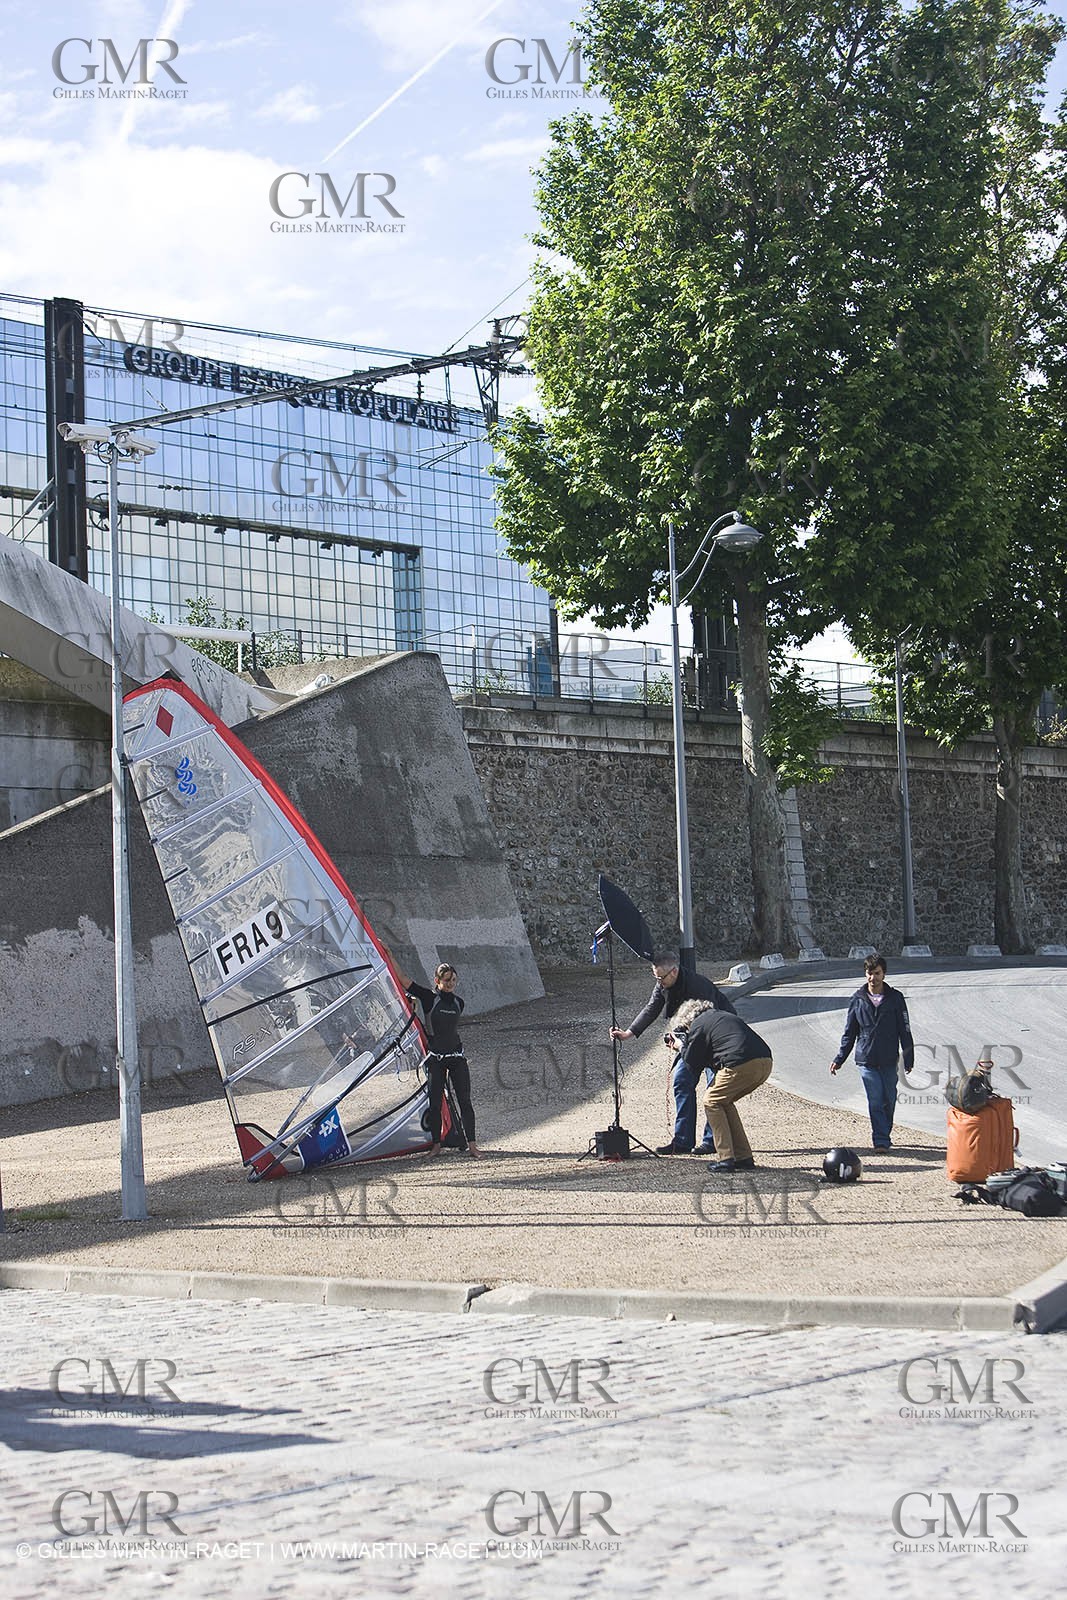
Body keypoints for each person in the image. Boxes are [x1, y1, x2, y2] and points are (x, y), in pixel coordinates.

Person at [610, 955, 737, 1154]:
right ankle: (683, 1141)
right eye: (656, 978)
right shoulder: (662, 985)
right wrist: (628, 1033)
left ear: (674, 971)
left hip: (715, 1038)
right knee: (681, 1080)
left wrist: (683, 1043)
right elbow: (651, 1008)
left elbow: (710, 1020)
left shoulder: (698, 986)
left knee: (714, 1090)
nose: (659, 982)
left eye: (661, 978)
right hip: (690, 1037)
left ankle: (712, 1141)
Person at [666, 1000, 773, 1173]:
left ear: (688, 1021)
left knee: (711, 1101)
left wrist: (680, 1046)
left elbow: (691, 1063)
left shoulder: (699, 1025)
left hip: (740, 1064)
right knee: (724, 1101)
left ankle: (726, 1159)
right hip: (765, 1062)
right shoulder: (720, 1016)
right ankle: (743, 1157)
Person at [829, 953, 914, 1151]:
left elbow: (905, 1030)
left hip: (889, 1060)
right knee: (875, 1099)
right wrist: (839, 1058)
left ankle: (884, 1132)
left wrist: (908, 1059)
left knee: (889, 1099)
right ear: (865, 974)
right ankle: (881, 1140)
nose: (872, 978)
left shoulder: (896, 998)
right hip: (866, 1060)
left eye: (877, 973)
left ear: (884, 974)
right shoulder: (857, 1000)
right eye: (869, 973)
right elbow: (849, 1033)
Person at [397, 961, 480, 1157]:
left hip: (457, 1057)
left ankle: (473, 1145)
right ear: (437, 981)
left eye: (453, 980)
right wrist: (389, 955)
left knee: (465, 1102)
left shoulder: (459, 1003)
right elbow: (404, 981)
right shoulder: (428, 998)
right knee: (434, 1103)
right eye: (446, 980)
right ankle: (436, 1145)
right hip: (436, 1058)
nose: (451, 983)